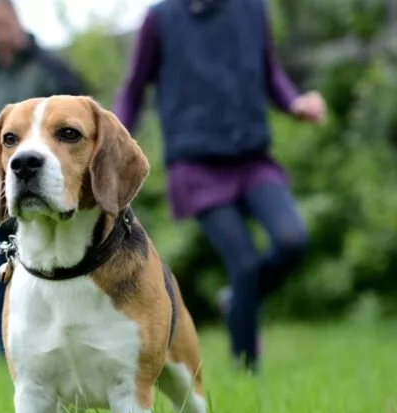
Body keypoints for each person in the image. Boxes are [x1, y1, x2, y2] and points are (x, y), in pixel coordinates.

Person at [113, 0, 326, 374]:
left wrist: (294, 102)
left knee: (293, 240)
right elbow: (134, 89)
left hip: (251, 157)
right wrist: (111, 143)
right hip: (196, 166)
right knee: (243, 264)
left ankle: (238, 301)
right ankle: (248, 372)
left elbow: (269, 72)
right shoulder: (160, 19)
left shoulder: (252, 9)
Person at [0, 0, 85, 355]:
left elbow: (82, 124)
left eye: (4, 21)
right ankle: (6, 356)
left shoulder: (50, 68)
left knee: (47, 285)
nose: (1, 31)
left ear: (16, 18)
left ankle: (65, 351)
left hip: (50, 198)